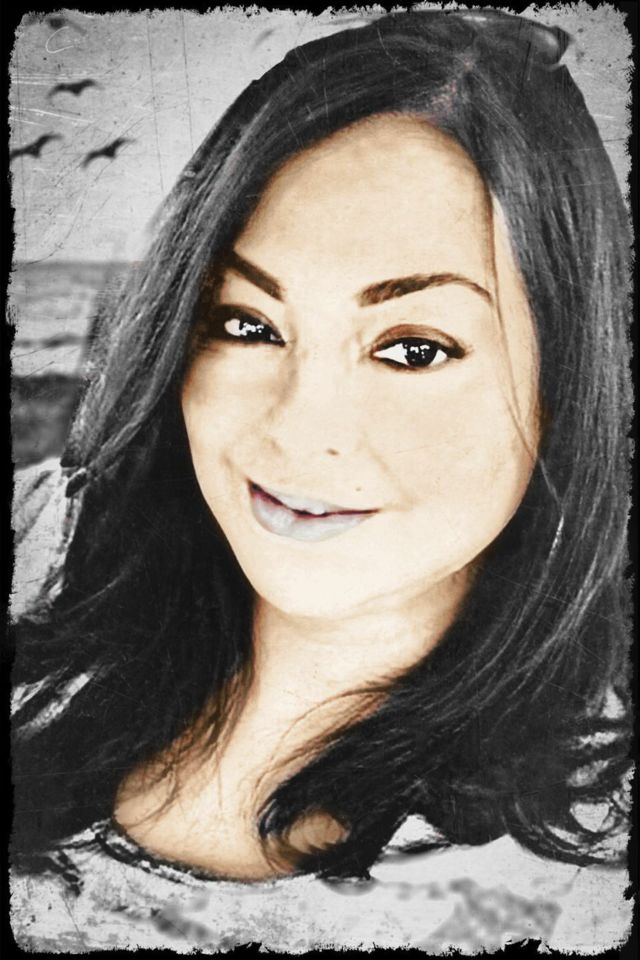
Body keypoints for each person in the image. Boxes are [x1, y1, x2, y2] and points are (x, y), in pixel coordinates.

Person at [10, 7, 631, 951]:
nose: (301, 427)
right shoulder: (40, 543)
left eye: (413, 347)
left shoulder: (585, 887)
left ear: (569, 381)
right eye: (248, 324)